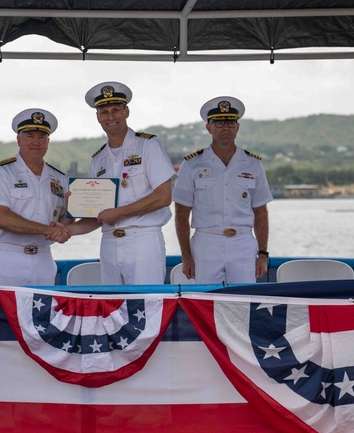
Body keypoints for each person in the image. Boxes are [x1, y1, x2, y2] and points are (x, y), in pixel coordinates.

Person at [79, 81, 176, 285]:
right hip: (109, 243)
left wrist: (119, 213)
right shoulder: (98, 160)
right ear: (98, 117)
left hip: (143, 240)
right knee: (113, 310)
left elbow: (163, 197)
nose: (110, 117)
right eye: (104, 112)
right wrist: (65, 228)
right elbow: (95, 214)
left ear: (127, 112)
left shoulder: (148, 146)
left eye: (116, 110)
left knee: (147, 307)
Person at [173, 96, 272, 283]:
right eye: (219, 122)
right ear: (208, 127)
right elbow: (181, 214)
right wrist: (186, 256)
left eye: (230, 122)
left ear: (237, 127)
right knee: (205, 303)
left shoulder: (253, 164)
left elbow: (260, 212)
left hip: (243, 243)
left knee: (242, 303)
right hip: (206, 242)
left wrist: (262, 254)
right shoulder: (192, 164)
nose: (225, 127)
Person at [0, 108, 76, 286]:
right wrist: (47, 230)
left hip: (44, 259)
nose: (36, 142)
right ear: (19, 139)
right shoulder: (2, 172)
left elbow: (63, 222)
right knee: (1, 313)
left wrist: (72, 211)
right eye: (30, 136)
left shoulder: (59, 178)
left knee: (43, 314)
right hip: (6, 260)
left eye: (41, 137)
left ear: (48, 142)